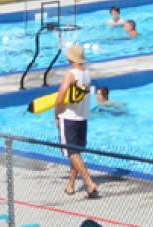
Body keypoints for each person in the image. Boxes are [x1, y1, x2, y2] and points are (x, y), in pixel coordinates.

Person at [52, 44, 100, 198]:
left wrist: (56, 114)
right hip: (82, 117)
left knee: (72, 152)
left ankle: (89, 182)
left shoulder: (70, 74)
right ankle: (71, 185)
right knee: (76, 153)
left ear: (70, 58)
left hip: (69, 117)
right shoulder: (86, 73)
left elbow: (60, 98)